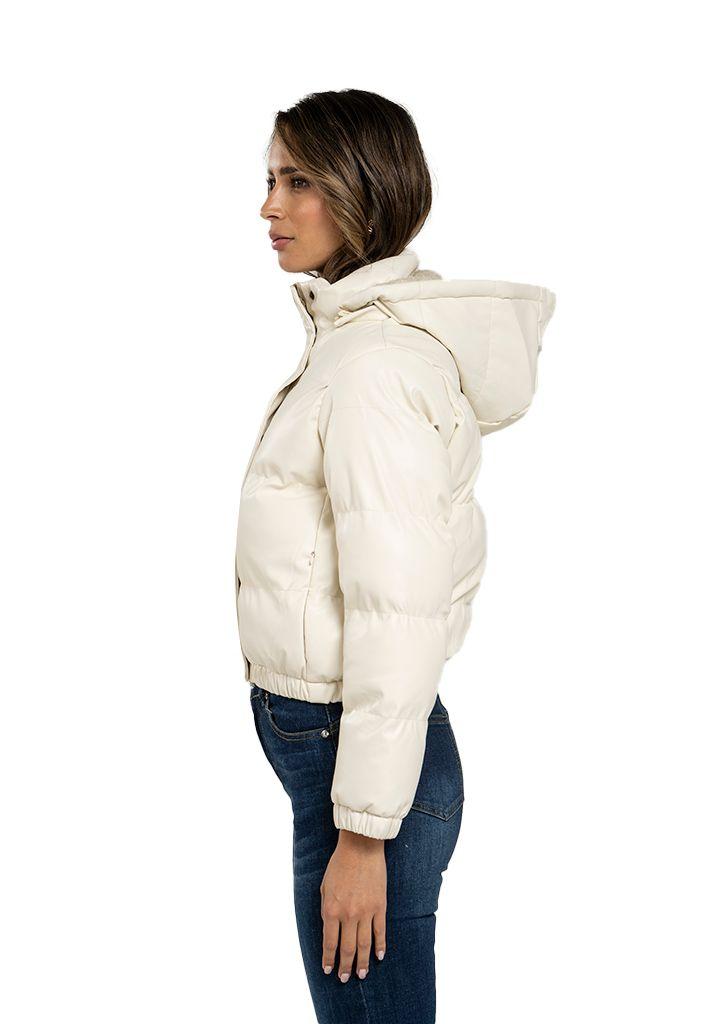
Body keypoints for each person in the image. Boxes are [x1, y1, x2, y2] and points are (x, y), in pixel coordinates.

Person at [234, 88, 556, 1023]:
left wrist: (364, 837)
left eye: (298, 181)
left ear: (362, 189)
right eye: (270, 178)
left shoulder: (375, 367)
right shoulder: (354, 348)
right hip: (350, 762)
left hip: (362, 776)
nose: (268, 206)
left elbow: (399, 609)